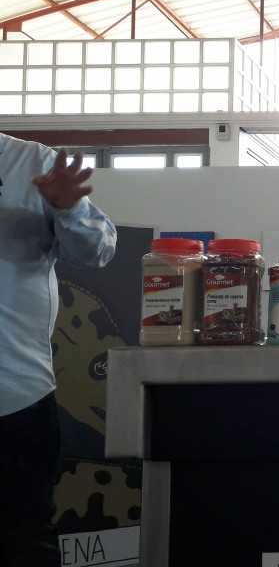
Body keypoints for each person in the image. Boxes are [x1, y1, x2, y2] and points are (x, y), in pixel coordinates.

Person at [0, 132, 117, 566]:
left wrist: (70, 208)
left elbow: (99, 249)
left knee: (22, 543)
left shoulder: (31, 162)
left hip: (15, 400)